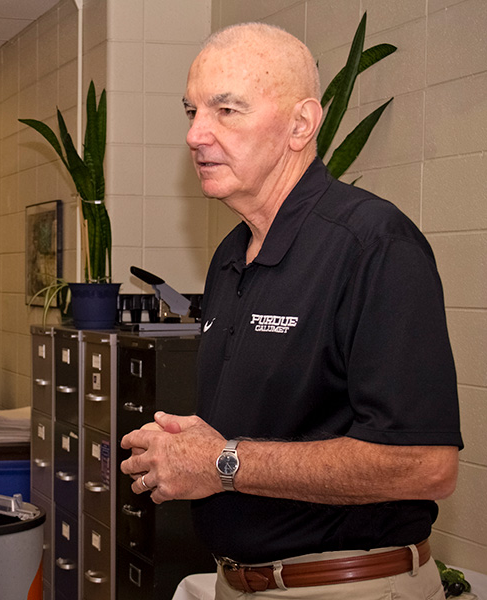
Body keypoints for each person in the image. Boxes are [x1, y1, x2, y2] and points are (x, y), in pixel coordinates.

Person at [120, 23, 462, 599]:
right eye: (192, 111)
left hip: (345, 585)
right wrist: (193, 450)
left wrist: (223, 462)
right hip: (239, 582)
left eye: (226, 110)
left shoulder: (372, 243)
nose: (197, 134)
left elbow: (426, 464)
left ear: (301, 125)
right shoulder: (233, 254)